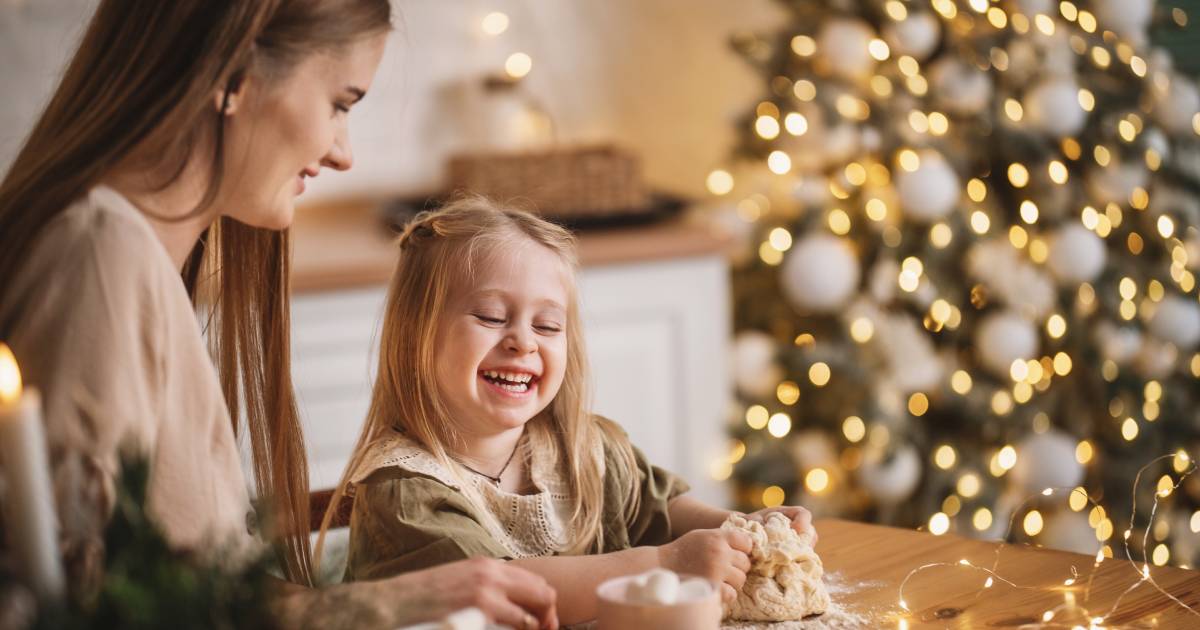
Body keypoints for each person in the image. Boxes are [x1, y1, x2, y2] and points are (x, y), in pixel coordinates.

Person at [0, 2, 556, 628]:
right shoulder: (101, 254)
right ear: (235, 77)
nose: (343, 152)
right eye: (340, 104)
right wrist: (390, 601)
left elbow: (192, 585)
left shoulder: (136, 259)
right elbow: (98, 603)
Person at [327, 197, 817, 625]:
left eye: (547, 325)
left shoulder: (581, 447)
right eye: (492, 317)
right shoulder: (404, 492)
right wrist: (665, 566)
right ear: (418, 335)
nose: (522, 341)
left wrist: (743, 529)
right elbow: (502, 591)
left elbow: (660, 509)